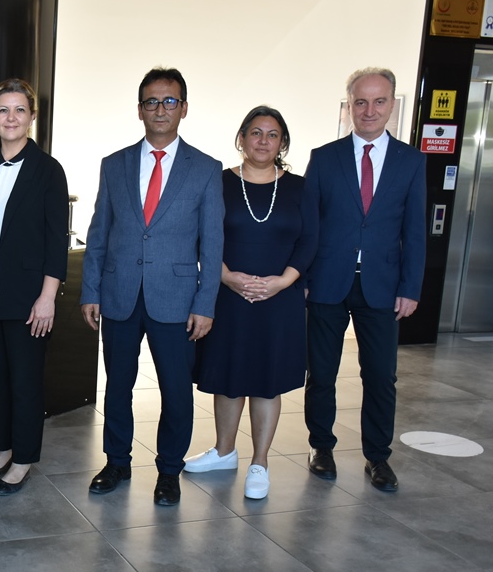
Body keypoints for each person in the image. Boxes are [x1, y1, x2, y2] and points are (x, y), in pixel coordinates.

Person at [80, 67, 224, 506]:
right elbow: (99, 232)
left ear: (184, 108)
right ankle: (116, 462)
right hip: (119, 294)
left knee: (176, 391)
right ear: (139, 109)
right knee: (117, 386)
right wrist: (90, 290)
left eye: (169, 101)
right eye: (151, 102)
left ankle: (169, 470)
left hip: (177, 300)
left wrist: (206, 302)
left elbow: (212, 244)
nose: (160, 109)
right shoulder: (114, 164)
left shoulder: (206, 169)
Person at [303, 68, 426, 492]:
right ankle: (321, 447)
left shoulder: (411, 161)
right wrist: (303, 276)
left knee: (380, 376)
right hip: (326, 282)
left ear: (391, 105)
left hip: (383, 286)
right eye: (360, 101)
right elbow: (310, 224)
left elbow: (414, 231)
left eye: (378, 101)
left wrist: (410, 287)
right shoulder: (325, 157)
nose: (369, 110)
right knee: (321, 372)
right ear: (349, 106)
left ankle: (378, 456)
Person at [187, 106, 318, 499]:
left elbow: (310, 241)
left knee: (266, 381)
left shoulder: (300, 188)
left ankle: (260, 463)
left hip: (279, 299)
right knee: (228, 378)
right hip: (228, 296)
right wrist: (226, 276)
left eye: (272, 134)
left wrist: (283, 281)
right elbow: (200, 234)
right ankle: (224, 452)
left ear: (283, 143)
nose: (263, 140)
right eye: (256, 132)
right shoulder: (218, 182)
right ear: (241, 138)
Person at [0, 78, 69, 495]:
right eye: (3, 110)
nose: (11, 117)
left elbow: (56, 239)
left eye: (20, 110)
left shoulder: (48, 170)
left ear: (32, 117)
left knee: (25, 381)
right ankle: (4, 448)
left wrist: (47, 298)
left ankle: (23, 458)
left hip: (27, 297)